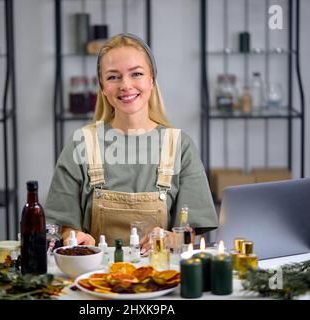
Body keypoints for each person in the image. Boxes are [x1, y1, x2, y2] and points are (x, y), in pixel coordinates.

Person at [45, 33, 217, 251]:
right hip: (96, 278)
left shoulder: (179, 146)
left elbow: (190, 235)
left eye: (136, 74)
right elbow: (62, 226)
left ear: (151, 79)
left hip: (161, 276)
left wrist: (171, 239)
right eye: (113, 77)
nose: (125, 85)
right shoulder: (82, 144)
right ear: (103, 88)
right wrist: (75, 237)